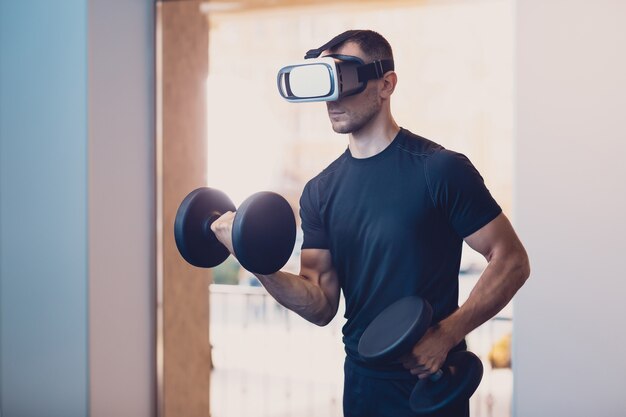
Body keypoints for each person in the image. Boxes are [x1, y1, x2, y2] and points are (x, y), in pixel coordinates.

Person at [211, 30, 530, 417]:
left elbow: (511, 259)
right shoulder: (319, 192)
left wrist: (447, 334)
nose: (333, 98)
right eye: (326, 84)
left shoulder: (439, 170)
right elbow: (320, 303)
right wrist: (255, 262)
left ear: (386, 84)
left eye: (343, 80)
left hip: (432, 384)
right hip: (362, 388)